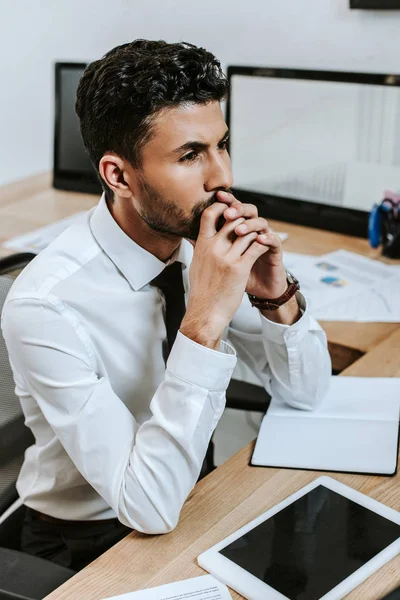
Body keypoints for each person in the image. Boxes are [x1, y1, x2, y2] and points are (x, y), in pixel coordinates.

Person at [1, 40, 331, 571]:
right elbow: (147, 507)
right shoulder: (45, 305)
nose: (221, 176)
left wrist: (277, 298)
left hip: (196, 499)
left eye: (222, 145)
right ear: (119, 176)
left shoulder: (197, 241)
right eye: (189, 155)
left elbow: (309, 391)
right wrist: (203, 323)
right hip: (90, 539)